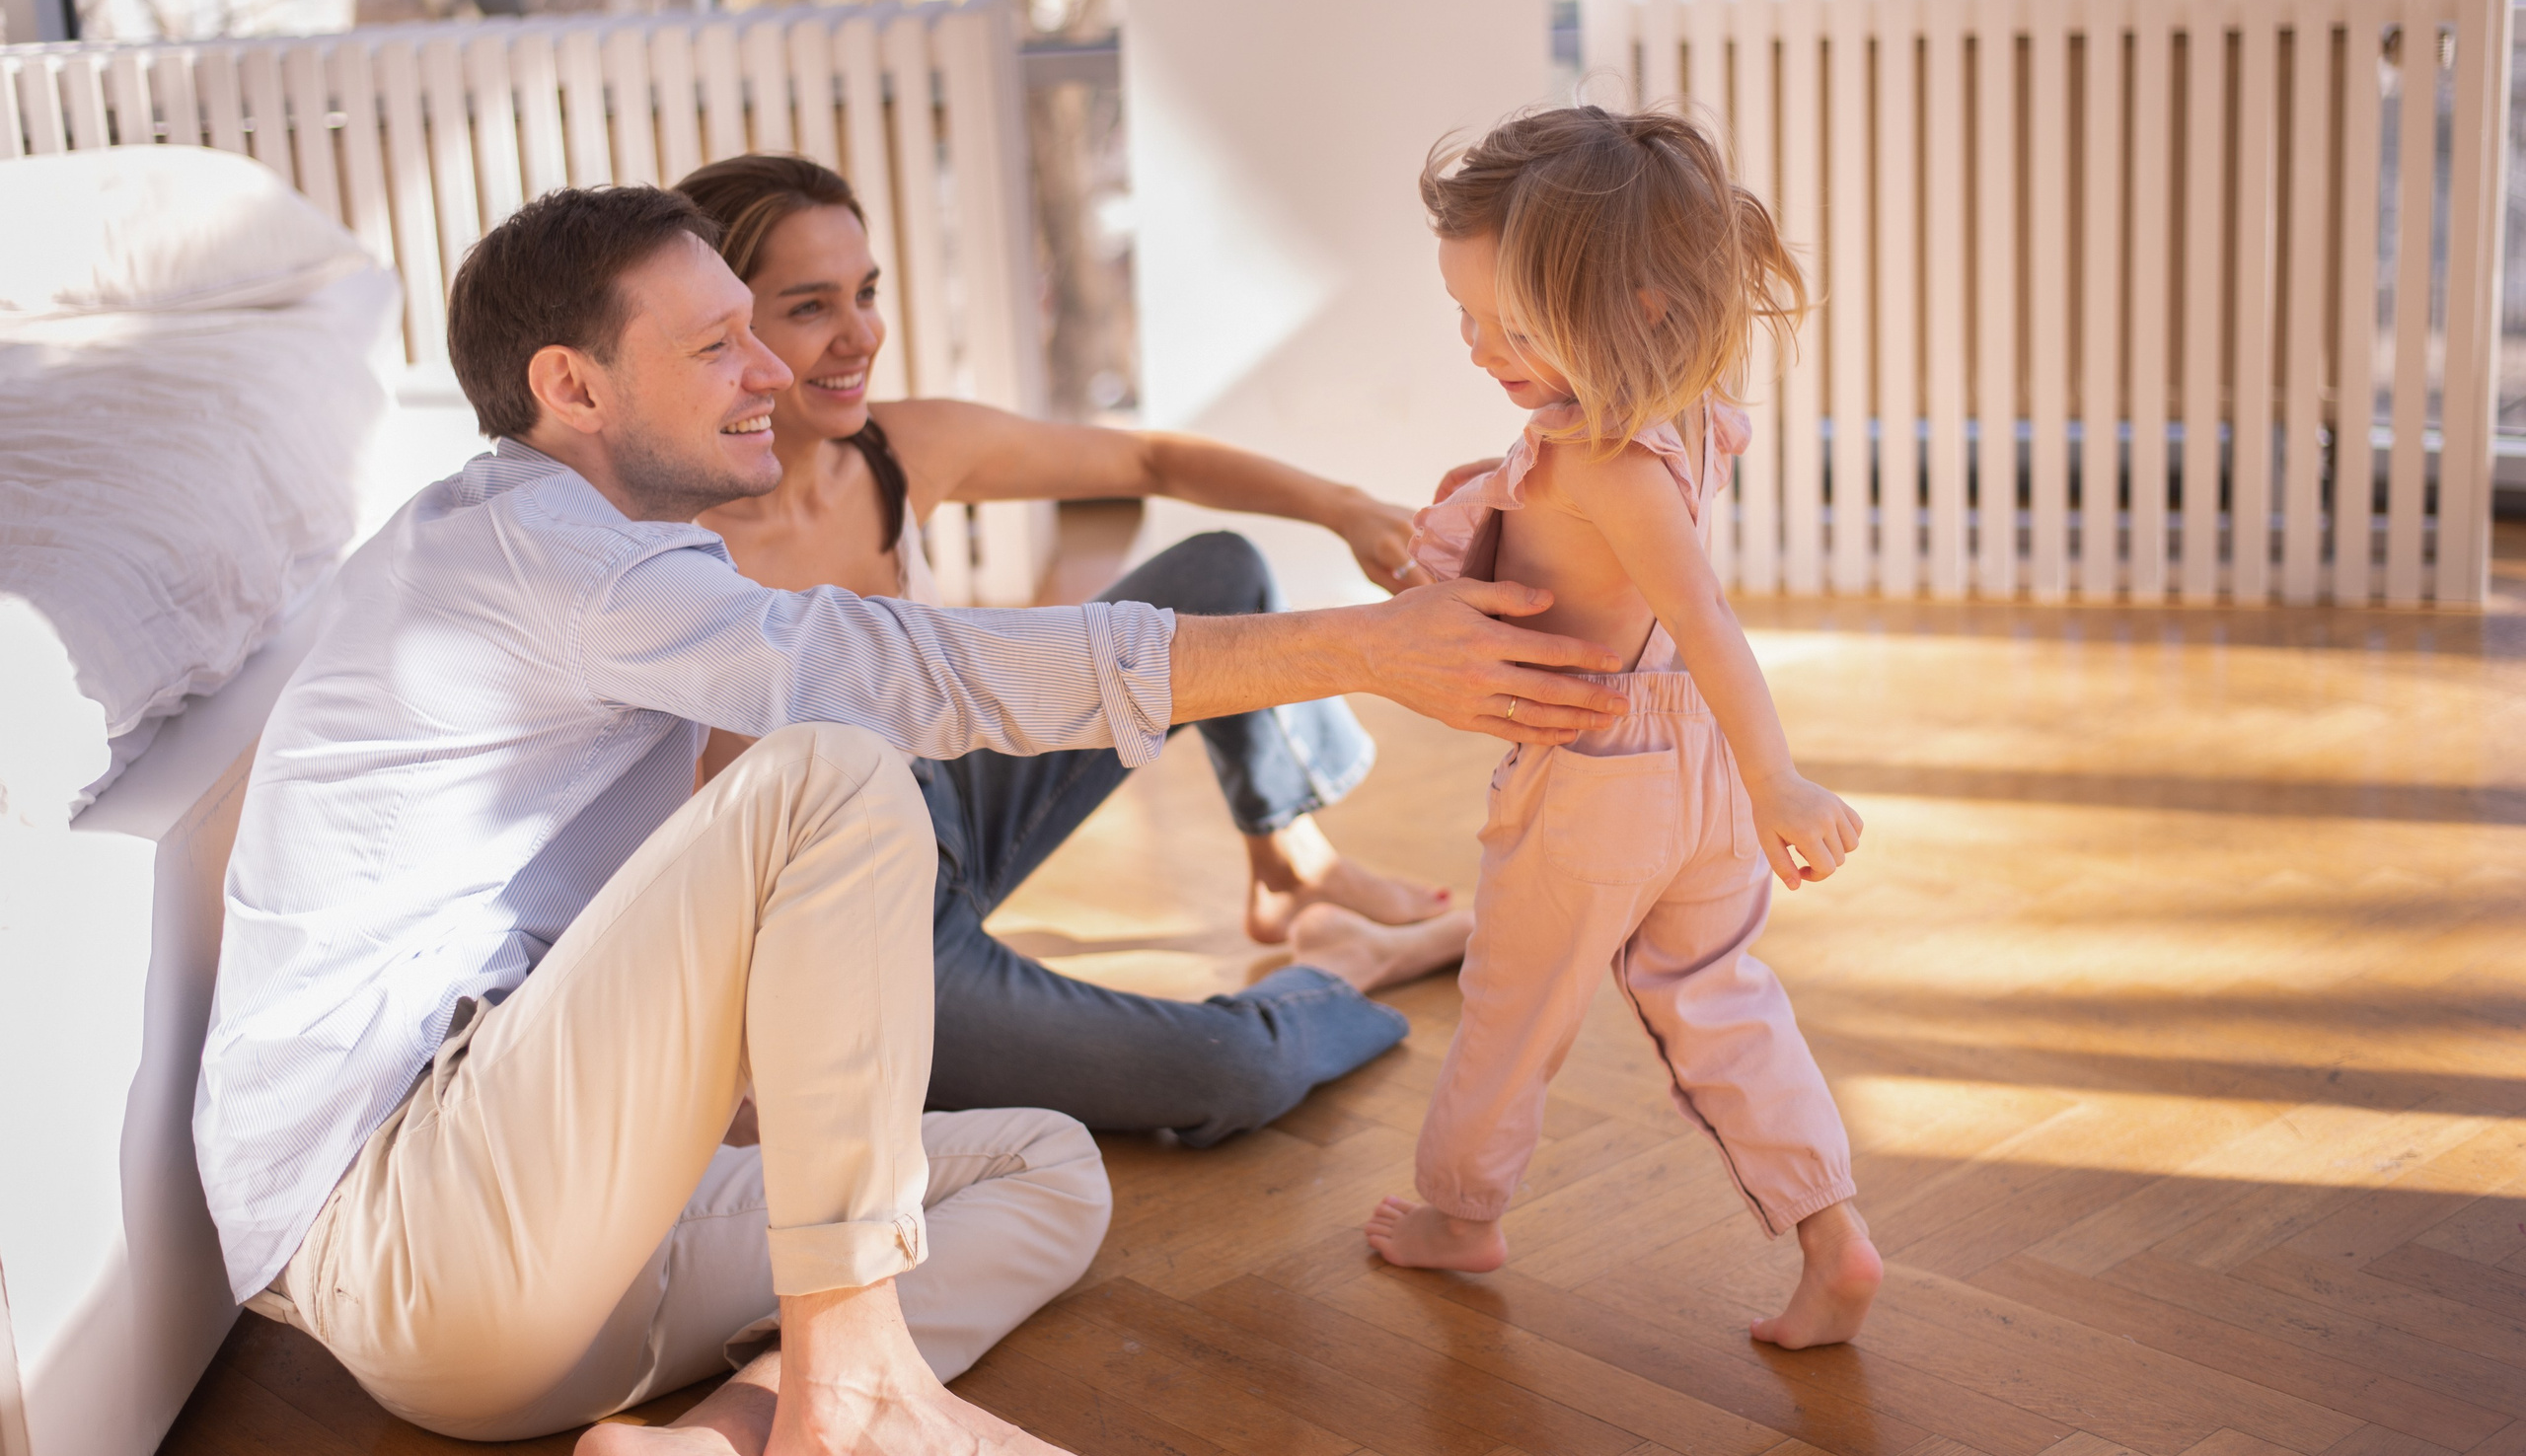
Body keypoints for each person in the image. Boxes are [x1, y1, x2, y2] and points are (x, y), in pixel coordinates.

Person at [193, 182, 1633, 1456]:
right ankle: (860, 1386)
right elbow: (896, 677)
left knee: (1049, 1170)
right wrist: (1371, 646)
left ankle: (730, 1431)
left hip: (537, 1295)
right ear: (571, 384)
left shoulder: (617, 548)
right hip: (407, 1226)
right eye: (721, 343)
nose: (771, 366)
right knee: (837, 765)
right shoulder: (542, 551)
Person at [673, 154, 1472, 1146]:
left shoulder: (892, 450)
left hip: (946, 806)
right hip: (858, 939)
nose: (862, 333)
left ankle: (1291, 865)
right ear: (725, 329)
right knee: (1233, 1070)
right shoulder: (676, 557)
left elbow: (1148, 458)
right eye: (809, 306)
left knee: (1217, 572)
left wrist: (1349, 508)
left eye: (866, 292)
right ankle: (1340, 973)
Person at [1359, 108, 1882, 1351]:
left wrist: (1786, 782)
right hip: (1692, 765)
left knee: (1513, 1008)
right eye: (1467, 318)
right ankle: (1830, 1232)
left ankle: (1459, 1211)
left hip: (1597, 769)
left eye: (1517, 328)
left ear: (1639, 306)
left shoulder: (1596, 458)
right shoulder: (1686, 415)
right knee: (1721, 995)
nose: (1484, 349)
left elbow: (1698, 613)